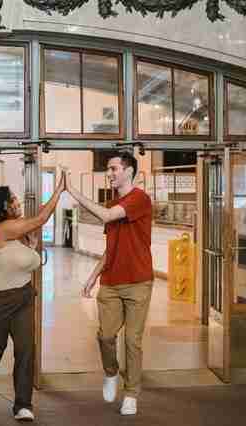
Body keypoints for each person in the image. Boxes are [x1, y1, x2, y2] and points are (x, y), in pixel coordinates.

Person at [0, 173, 66, 422]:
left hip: (22, 298)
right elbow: (42, 217)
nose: (18, 202)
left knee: (25, 350)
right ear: (3, 207)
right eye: (13, 200)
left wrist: (30, 248)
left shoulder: (17, 230)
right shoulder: (3, 229)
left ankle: (23, 404)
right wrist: (59, 190)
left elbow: (23, 261)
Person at [65, 151, 153, 416]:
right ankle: (111, 372)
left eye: (114, 169)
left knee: (133, 341)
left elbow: (106, 216)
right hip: (111, 282)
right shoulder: (116, 202)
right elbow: (110, 247)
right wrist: (92, 278)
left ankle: (131, 394)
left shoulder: (139, 199)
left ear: (128, 171)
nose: (110, 173)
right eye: (109, 169)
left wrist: (73, 191)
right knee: (105, 336)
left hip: (138, 282)